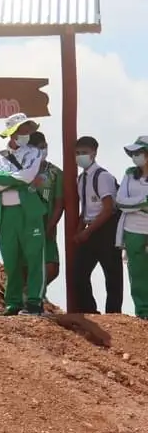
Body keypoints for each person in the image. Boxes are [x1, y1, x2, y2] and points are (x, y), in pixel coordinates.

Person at [0, 113, 46, 315]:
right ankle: (13, 302)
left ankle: (34, 301)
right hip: (5, 213)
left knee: (34, 257)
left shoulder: (34, 153)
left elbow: (28, 176)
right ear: (12, 133)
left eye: (29, 129)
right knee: (11, 259)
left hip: (28, 211)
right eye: (23, 130)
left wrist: (2, 177)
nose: (27, 134)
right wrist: (12, 179)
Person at [74, 135, 123, 313]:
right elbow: (85, 208)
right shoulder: (81, 179)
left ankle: (113, 313)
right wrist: (80, 229)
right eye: (78, 153)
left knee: (112, 274)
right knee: (79, 272)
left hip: (106, 227)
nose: (80, 157)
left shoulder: (103, 177)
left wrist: (87, 232)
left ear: (94, 153)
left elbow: (108, 208)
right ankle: (90, 311)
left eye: (84, 153)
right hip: (91, 227)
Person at [115, 135, 148, 319]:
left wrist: (134, 205)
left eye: (139, 152)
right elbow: (120, 201)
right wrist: (142, 203)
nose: (135, 156)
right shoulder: (129, 173)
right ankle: (142, 313)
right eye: (133, 153)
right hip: (133, 230)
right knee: (137, 273)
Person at [29, 132, 64, 286]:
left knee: (51, 267)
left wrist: (51, 225)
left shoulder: (55, 173)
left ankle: (37, 296)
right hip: (25, 227)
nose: (42, 151)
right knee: (25, 265)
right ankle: (28, 297)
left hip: (46, 227)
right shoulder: (22, 172)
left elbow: (59, 203)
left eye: (43, 147)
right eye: (37, 149)